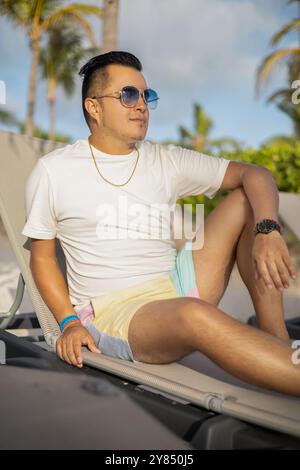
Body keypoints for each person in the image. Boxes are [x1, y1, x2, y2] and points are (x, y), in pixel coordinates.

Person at [22, 51, 300, 396]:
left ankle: (278, 342)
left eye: (145, 95)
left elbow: (255, 173)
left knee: (248, 200)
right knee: (192, 314)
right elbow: (43, 258)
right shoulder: (54, 171)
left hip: (178, 284)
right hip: (118, 312)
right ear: (93, 107)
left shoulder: (163, 158)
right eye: (127, 95)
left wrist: (268, 229)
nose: (141, 105)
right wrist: (68, 323)